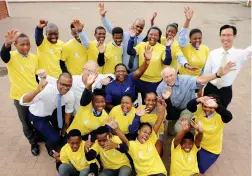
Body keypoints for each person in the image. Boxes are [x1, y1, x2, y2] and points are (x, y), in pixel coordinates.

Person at [156, 63, 235, 135]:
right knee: (171, 132)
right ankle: (185, 123)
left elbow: (201, 79)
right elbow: (161, 107)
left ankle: (190, 125)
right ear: (162, 78)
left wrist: (217, 75)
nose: (169, 78)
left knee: (178, 129)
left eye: (171, 75)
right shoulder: (160, 88)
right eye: (166, 77)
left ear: (176, 74)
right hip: (172, 110)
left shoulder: (184, 79)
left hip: (187, 109)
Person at [0, 30, 39, 156]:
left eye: (27, 44)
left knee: (37, 119)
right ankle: (33, 143)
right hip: (20, 97)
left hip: (35, 96)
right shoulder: (11, 57)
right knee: (26, 122)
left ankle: (39, 136)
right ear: (16, 45)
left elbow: (36, 76)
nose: (25, 47)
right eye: (22, 45)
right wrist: (7, 44)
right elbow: (4, 55)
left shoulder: (34, 58)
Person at [107, 98, 167, 176]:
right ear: (138, 131)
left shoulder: (150, 140)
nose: (146, 135)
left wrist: (163, 109)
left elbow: (158, 123)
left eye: (149, 133)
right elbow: (124, 139)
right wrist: (116, 128)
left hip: (158, 173)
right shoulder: (132, 145)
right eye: (144, 132)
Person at [19, 73, 74, 155]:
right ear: (57, 82)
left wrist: (65, 127)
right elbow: (23, 101)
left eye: (69, 85)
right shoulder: (46, 90)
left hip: (51, 113)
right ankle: (50, 148)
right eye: (62, 84)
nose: (65, 88)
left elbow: (68, 112)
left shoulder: (70, 94)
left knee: (64, 134)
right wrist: (37, 91)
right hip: (38, 116)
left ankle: (48, 135)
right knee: (55, 138)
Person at [37, 60, 115, 114]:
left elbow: (112, 75)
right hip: (77, 114)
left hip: (92, 113)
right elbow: (56, 81)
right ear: (83, 70)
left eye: (94, 71)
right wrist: (44, 77)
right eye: (89, 70)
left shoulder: (98, 77)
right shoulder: (74, 79)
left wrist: (108, 78)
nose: (91, 73)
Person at [202, 24, 252, 108]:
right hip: (210, 88)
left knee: (222, 115)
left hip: (226, 91)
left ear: (234, 36)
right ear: (220, 36)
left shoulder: (240, 54)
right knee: (206, 111)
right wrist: (200, 90)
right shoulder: (213, 53)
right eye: (223, 35)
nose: (225, 38)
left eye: (229, 35)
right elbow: (206, 74)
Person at [187, 95, 233, 174]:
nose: (207, 109)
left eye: (211, 107)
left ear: (216, 108)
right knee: (189, 165)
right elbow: (189, 106)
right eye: (205, 106)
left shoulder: (220, 117)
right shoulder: (199, 110)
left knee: (199, 170)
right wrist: (198, 99)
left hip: (211, 150)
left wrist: (217, 106)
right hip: (197, 144)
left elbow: (229, 117)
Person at [99, 2, 146, 72]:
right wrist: (103, 17)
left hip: (136, 72)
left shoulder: (143, 39)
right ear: (133, 25)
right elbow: (112, 30)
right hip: (124, 71)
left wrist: (152, 24)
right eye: (137, 26)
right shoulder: (124, 35)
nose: (139, 29)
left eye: (141, 28)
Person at [127, 26, 172, 99]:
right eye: (151, 34)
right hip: (140, 79)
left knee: (149, 103)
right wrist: (131, 38)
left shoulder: (162, 48)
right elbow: (130, 52)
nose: (153, 37)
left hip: (154, 82)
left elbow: (167, 62)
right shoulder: (142, 45)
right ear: (147, 35)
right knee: (133, 99)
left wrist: (168, 47)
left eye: (155, 35)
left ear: (158, 37)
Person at [105, 45, 152, 111]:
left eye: (123, 71)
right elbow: (107, 104)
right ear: (114, 73)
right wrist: (120, 109)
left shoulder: (130, 78)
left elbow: (139, 71)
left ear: (127, 73)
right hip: (118, 110)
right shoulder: (109, 86)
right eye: (118, 71)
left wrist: (147, 61)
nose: (121, 73)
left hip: (133, 108)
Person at [67, 72, 109, 142]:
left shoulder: (105, 116)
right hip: (72, 136)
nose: (100, 104)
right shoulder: (86, 106)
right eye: (97, 102)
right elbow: (85, 98)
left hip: (85, 138)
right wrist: (88, 85)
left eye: (102, 102)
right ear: (92, 102)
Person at [178, 7, 209, 77]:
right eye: (194, 39)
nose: (197, 40)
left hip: (196, 81)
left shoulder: (205, 49)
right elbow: (183, 35)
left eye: (199, 38)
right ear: (190, 39)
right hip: (183, 78)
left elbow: (205, 67)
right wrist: (187, 20)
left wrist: (201, 81)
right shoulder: (185, 46)